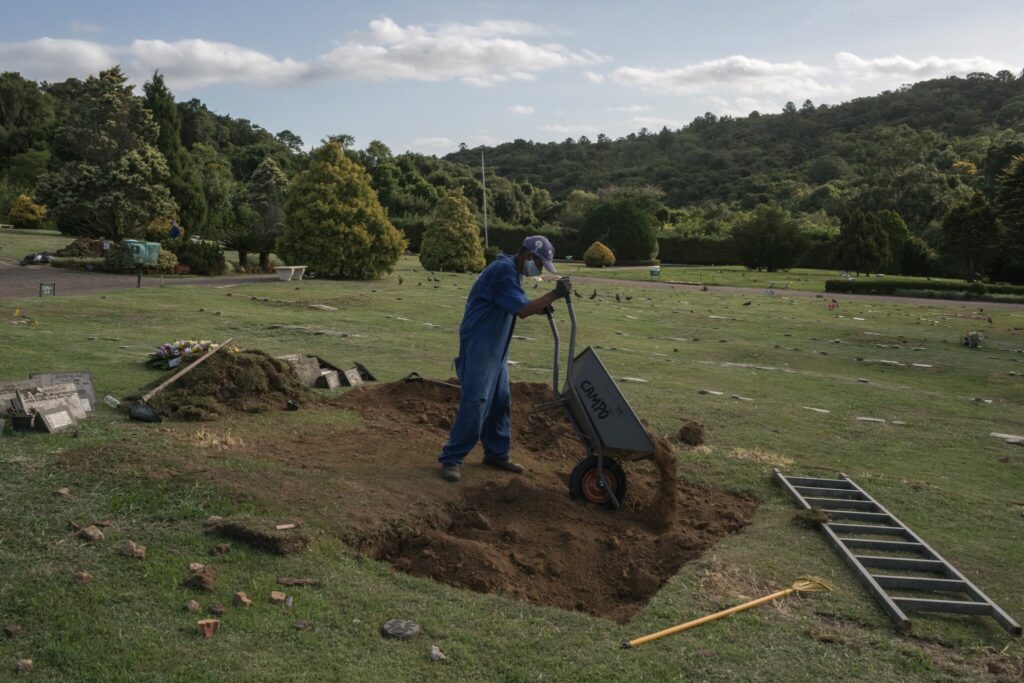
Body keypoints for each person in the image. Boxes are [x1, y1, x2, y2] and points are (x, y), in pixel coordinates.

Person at [438, 236, 572, 482]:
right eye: (540, 264)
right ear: (528, 256)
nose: (539, 270)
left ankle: (496, 454)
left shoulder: (513, 270)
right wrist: (554, 294)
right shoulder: (503, 271)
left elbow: (516, 304)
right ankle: (452, 458)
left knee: (500, 401)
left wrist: (540, 306)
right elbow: (521, 311)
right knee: (477, 400)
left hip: (495, 346)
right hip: (480, 343)